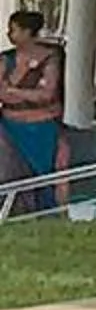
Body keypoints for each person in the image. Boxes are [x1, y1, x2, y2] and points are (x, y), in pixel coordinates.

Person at [0, 11, 68, 213]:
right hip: (10, 127)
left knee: (45, 173)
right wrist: (22, 94)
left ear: (27, 32)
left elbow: (46, 94)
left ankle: (46, 213)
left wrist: (13, 91)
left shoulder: (50, 58)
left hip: (41, 127)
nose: (9, 34)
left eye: (14, 30)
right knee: (8, 169)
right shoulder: (6, 59)